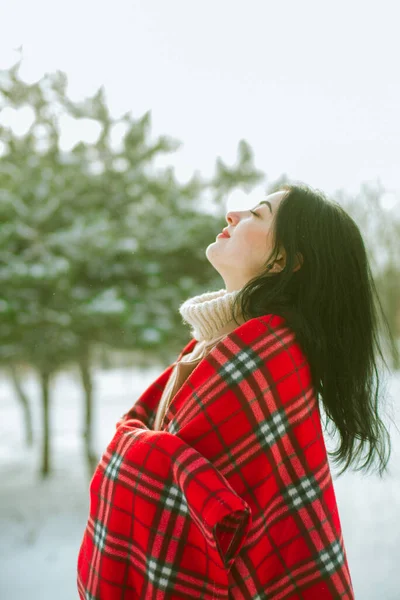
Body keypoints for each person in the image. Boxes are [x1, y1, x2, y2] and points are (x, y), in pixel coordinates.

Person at [77, 182, 396, 599]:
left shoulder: (269, 359)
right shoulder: (218, 344)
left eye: (257, 214)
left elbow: (201, 514)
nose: (233, 215)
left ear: (284, 259)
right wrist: (144, 446)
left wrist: (133, 447)